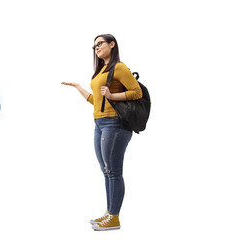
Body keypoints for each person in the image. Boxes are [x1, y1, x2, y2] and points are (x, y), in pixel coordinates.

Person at [62, 34, 142, 230]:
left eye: (100, 44)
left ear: (112, 44)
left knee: (114, 172)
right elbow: (97, 101)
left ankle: (114, 218)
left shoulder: (119, 67)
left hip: (115, 124)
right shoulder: (101, 71)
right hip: (99, 123)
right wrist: (79, 88)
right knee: (106, 171)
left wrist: (113, 94)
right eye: (94, 46)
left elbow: (136, 92)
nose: (96, 48)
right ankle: (108, 213)